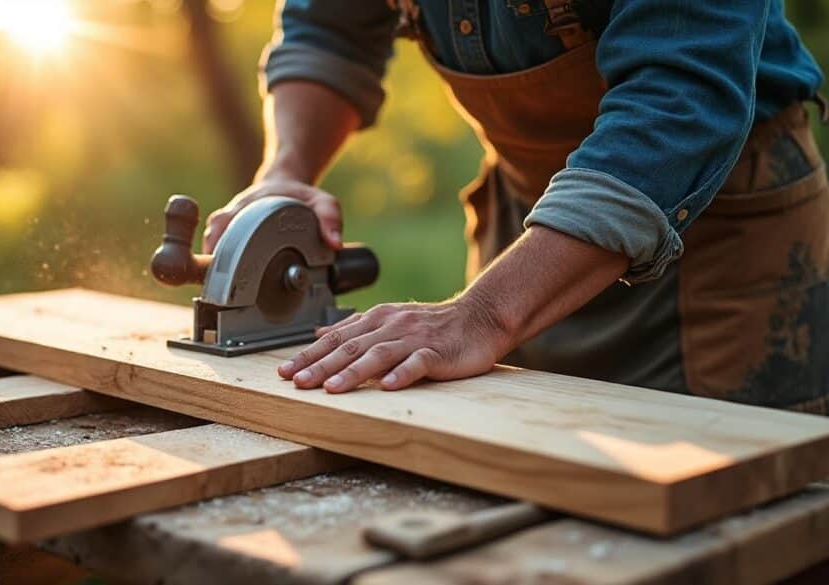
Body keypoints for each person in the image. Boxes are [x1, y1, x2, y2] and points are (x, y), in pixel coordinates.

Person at [204, 0, 829, 411]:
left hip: (723, 233)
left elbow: (679, 102)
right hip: (528, 228)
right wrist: (285, 171)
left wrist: (483, 315)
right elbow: (328, 32)